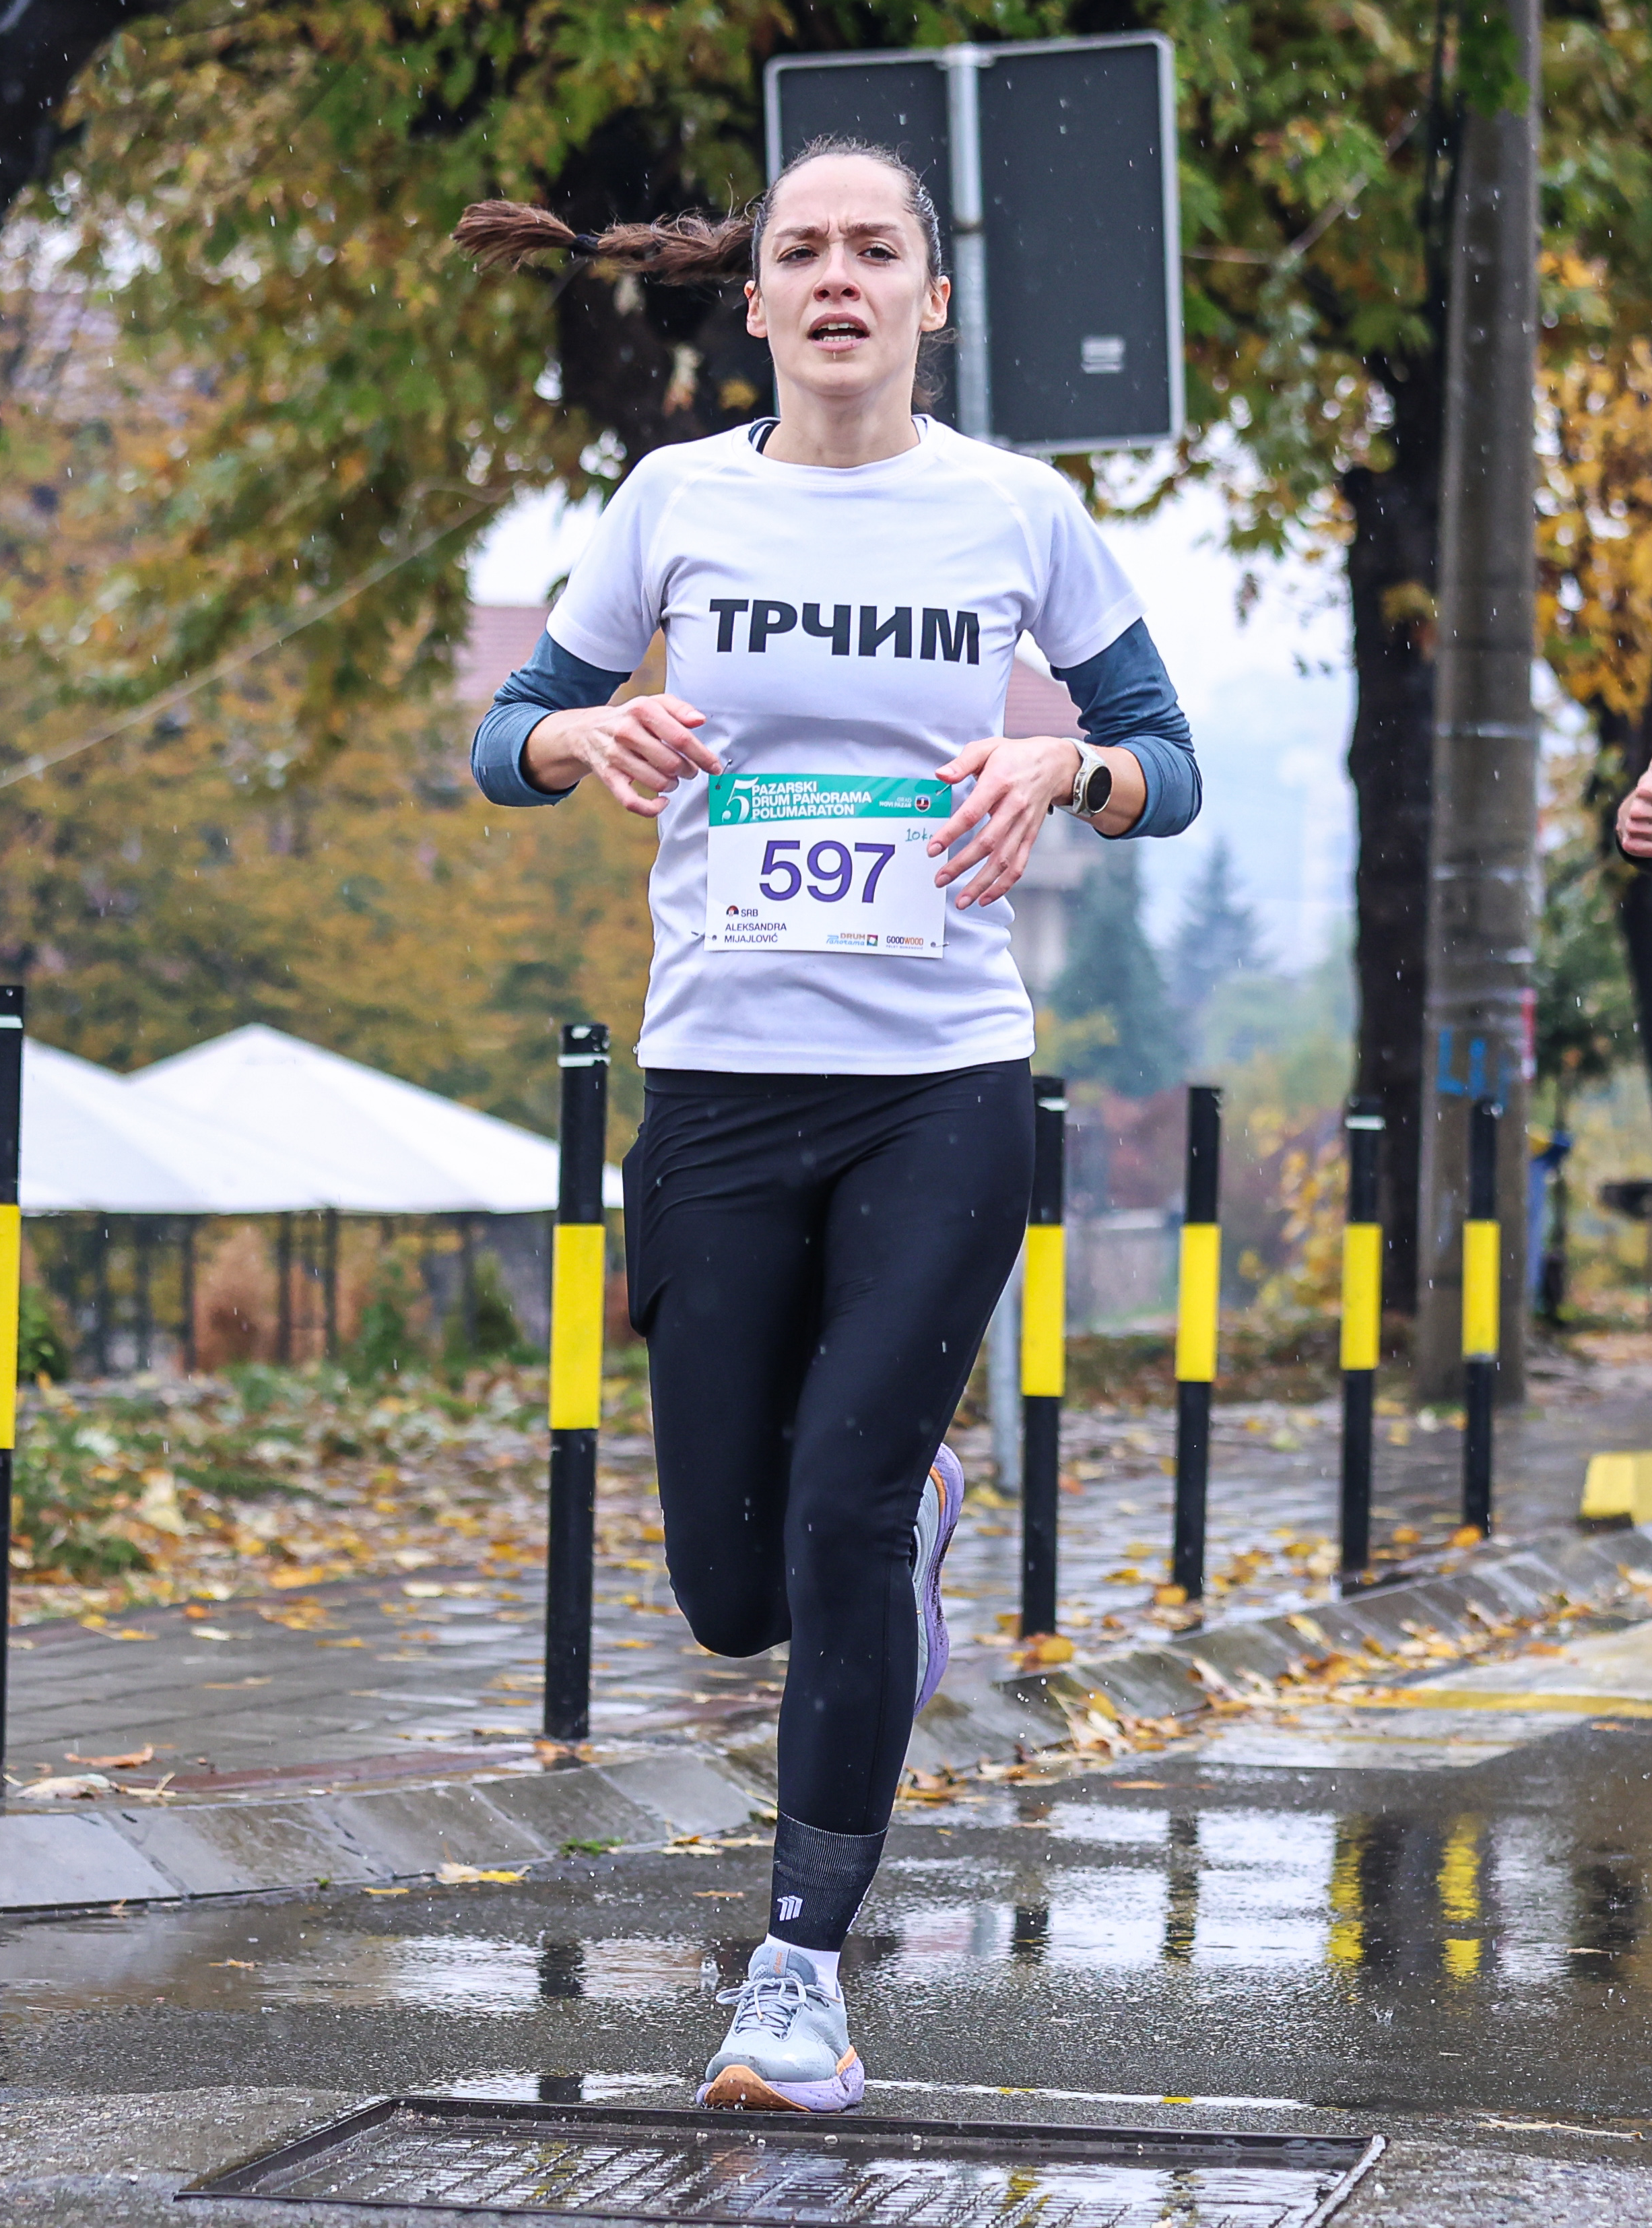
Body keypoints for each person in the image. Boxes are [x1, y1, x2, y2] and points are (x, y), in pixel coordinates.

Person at [457, 139, 1199, 2112]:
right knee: (731, 1592)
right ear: (761, 298)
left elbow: (1170, 760)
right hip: (718, 1083)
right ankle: (907, 1521)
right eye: (806, 251)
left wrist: (1064, 767)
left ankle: (797, 1985)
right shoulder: (673, 499)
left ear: (932, 301)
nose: (841, 278)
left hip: (941, 1085)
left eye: (879, 250)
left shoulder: (1020, 510)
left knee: (841, 1511)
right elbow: (505, 734)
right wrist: (582, 731)